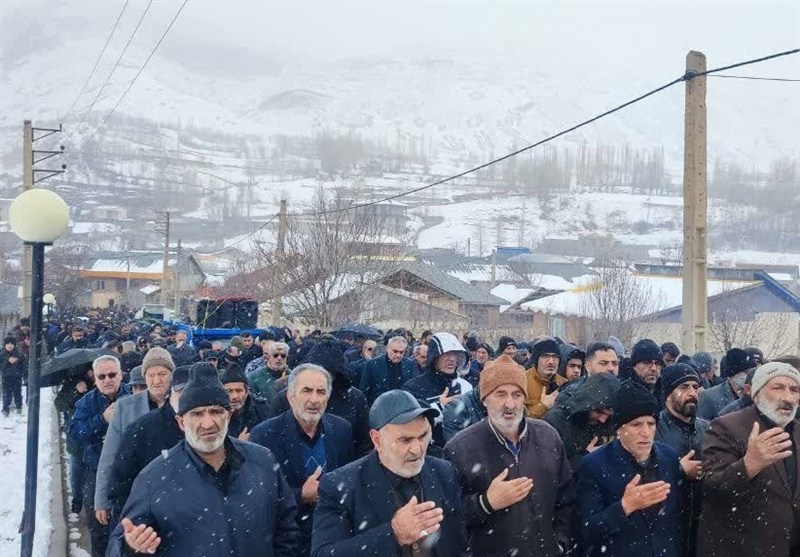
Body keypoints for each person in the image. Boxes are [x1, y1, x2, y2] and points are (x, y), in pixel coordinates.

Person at [107, 362, 299, 556]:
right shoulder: (155, 478)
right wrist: (131, 548)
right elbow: (120, 542)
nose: (208, 423)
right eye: (197, 414)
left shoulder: (262, 462)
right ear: (181, 422)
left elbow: (287, 530)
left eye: (216, 411)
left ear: (228, 415)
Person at [311, 389, 470, 556]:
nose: (417, 449)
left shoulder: (443, 471)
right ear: (377, 440)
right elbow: (323, 553)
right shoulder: (340, 486)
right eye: (405, 440)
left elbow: (458, 544)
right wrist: (394, 534)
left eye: (423, 436)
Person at [444, 354, 574, 556]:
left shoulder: (548, 437)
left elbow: (566, 499)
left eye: (517, 395)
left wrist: (559, 543)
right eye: (500, 394)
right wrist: (485, 503)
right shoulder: (460, 448)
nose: (510, 404)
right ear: (484, 399)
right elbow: (448, 516)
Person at [697, 361, 800, 557]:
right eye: (778, 388)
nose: (787, 397)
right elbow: (711, 487)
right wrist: (748, 465)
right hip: (742, 548)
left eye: (794, 390)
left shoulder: (797, 431)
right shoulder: (726, 427)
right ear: (756, 394)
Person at [251, 364, 354, 557]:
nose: (314, 399)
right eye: (307, 390)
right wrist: (301, 496)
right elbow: (260, 499)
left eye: (321, 392)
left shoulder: (342, 430)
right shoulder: (265, 436)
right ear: (291, 397)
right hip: (290, 541)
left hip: (333, 538)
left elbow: (349, 481)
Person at [576, 381, 681, 557]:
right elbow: (585, 530)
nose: (646, 432)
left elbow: (676, 521)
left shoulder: (669, 458)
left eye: (651, 423)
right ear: (619, 429)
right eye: (636, 424)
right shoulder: (593, 465)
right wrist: (625, 507)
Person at [94, 347, 175, 527]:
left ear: (172, 376)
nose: (157, 380)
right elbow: (109, 455)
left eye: (162, 374)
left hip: (173, 492)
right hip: (135, 492)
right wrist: (101, 500)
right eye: (151, 375)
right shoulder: (125, 407)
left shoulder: (181, 403)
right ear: (145, 377)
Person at [107, 366, 190, 526]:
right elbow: (121, 484)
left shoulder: (215, 429)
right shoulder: (141, 429)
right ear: (171, 393)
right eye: (182, 393)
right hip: (154, 525)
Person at [68, 355, 131, 557]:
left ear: (120, 375)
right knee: (99, 528)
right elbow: (76, 435)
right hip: (96, 471)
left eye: (112, 374)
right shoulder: (86, 403)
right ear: (94, 379)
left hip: (129, 471)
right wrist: (102, 419)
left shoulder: (133, 396)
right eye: (101, 376)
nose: (107, 380)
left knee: (130, 528)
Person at [267, 339, 371, 456]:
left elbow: (364, 444)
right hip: (293, 460)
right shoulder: (285, 398)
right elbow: (272, 439)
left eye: (327, 373)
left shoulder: (354, 398)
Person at [655, 363, 709, 557]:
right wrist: (678, 470)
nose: (692, 393)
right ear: (668, 394)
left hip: (702, 528)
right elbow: (640, 471)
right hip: (664, 525)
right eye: (684, 387)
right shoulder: (653, 428)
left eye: (695, 387)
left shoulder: (709, 429)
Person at [401, 332, 473, 452]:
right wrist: (440, 407)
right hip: (426, 453)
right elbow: (410, 424)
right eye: (446, 354)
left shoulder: (466, 386)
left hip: (462, 452)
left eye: (455, 354)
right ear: (434, 356)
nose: (452, 359)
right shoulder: (413, 387)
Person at [543, 373, 620, 468]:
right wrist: (585, 458)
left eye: (609, 415)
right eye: (599, 412)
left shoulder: (610, 424)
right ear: (587, 403)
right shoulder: (555, 422)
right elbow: (548, 469)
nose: (603, 420)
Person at [697, 348, 755, 421]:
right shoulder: (709, 396)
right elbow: (701, 425)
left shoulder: (755, 393)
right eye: (746, 372)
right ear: (733, 374)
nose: (751, 376)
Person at [359, 336, 416, 405]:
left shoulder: (409, 364)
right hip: (379, 406)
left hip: (403, 405)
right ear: (387, 348)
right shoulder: (372, 364)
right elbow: (364, 390)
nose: (398, 355)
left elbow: (413, 387)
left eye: (401, 352)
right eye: (395, 351)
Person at [220, 364, 269, 440]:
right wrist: (239, 443)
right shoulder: (216, 412)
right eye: (229, 391)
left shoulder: (261, 409)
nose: (234, 396)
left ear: (247, 392)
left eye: (239, 391)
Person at [524, 338, 567, 418]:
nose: (551, 362)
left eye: (555, 357)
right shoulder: (523, 382)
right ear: (536, 360)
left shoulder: (564, 384)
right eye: (545, 356)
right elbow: (520, 419)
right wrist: (543, 406)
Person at [624, 339, 667, 408]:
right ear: (634, 365)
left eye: (658, 363)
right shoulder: (624, 393)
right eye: (647, 362)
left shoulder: (667, 393)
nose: (654, 368)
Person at [1, 336, 26, 416]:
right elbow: (1, 366)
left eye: (12, 343)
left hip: (17, 377)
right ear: (5, 345)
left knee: (17, 393)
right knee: (6, 394)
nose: (10, 345)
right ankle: (6, 409)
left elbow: (24, 364)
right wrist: (7, 361)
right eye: (8, 343)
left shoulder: (18, 353)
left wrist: (21, 372)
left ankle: (19, 408)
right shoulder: (2, 354)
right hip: (6, 377)